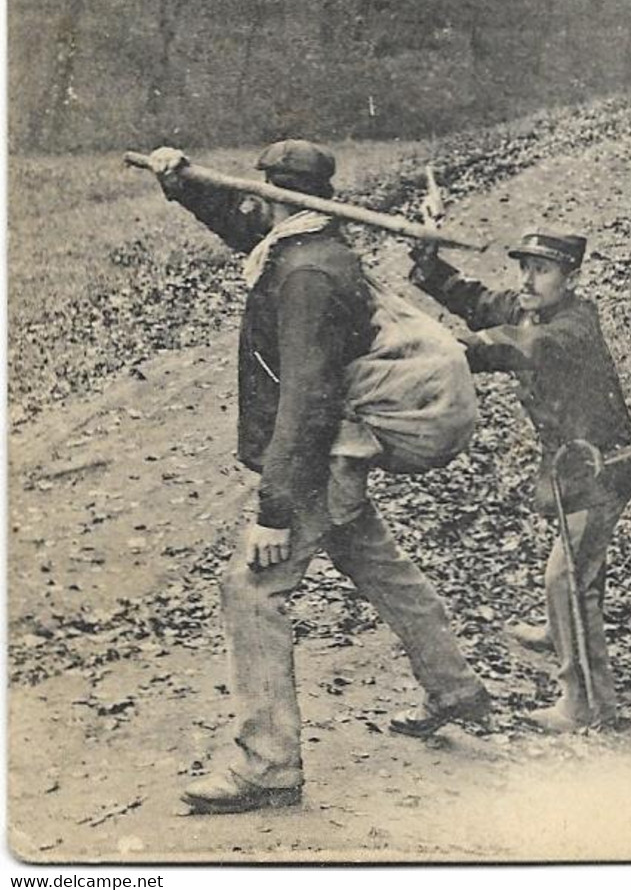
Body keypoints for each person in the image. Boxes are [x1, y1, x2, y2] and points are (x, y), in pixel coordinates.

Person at [146, 142, 490, 815]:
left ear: (273, 191)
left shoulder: (307, 276)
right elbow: (247, 229)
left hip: (323, 455)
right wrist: (184, 185)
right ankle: (455, 687)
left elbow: (308, 401)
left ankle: (268, 763)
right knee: (376, 561)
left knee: (250, 586)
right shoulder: (309, 248)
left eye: (260, 193)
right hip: (336, 452)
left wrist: (274, 507)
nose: (252, 205)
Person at [409, 226, 631, 732]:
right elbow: (477, 300)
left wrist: (447, 349)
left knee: (569, 578)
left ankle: (586, 703)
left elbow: (517, 345)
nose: (528, 280)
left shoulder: (573, 325)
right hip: (574, 464)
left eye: (542, 270)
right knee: (573, 569)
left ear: (570, 278)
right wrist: (430, 266)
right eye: (524, 268)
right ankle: (557, 630)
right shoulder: (530, 307)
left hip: (603, 469)